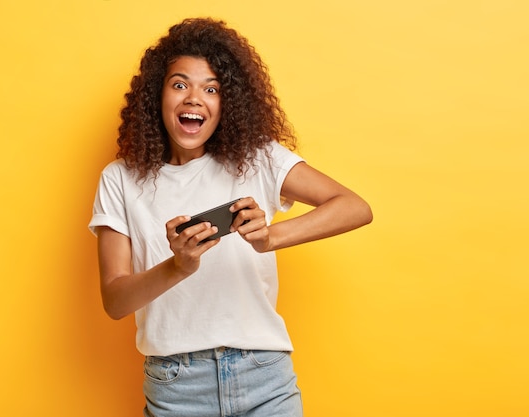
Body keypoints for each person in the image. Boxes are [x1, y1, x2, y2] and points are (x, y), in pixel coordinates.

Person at [89, 17, 372, 417]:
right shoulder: (121, 179)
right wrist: (178, 266)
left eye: (211, 89)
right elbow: (115, 301)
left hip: (265, 377)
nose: (193, 98)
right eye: (180, 84)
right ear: (158, 94)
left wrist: (270, 238)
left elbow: (354, 207)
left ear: (228, 103)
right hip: (176, 388)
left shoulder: (258, 159)